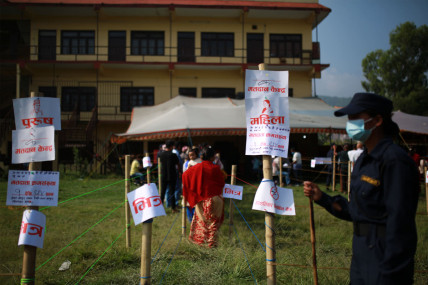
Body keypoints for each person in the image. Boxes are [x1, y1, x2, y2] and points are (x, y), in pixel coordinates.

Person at [303, 92, 419, 284]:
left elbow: (401, 226)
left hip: (386, 261)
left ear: (378, 120)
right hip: (361, 256)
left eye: (356, 118)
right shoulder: (364, 159)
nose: (351, 123)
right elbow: (358, 211)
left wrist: (390, 273)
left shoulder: (395, 161)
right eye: (350, 119)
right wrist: (322, 198)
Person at [182, 146, 227, 248]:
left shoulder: (196, 168)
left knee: (202, 222)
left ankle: (201, 244)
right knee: (214, 223)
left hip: (202, 199)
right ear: (212, 157)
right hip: (216, 199)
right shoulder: (216, 168)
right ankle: (212, 244)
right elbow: (222, 182)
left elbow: (185, 176)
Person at [159, 140, 181, 213]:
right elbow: (178, 164)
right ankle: (173, 208)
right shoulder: (173, 155)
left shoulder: (161, 155)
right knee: (172, 192)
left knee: (162, 192)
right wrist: (180, 172)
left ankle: (159, 209)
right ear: (171, 146)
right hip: (172, 175)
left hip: (164, 175)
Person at [183, 147, 202, 222]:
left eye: (193, 155)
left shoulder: (199, 161)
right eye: (190, 155)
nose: (191, 157)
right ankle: (190, 219)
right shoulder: (188, 162)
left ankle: (196, 218)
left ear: (196, 154)